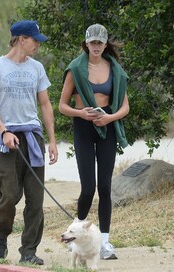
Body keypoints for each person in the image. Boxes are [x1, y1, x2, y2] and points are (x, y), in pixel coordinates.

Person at [0, 20, 58, 265]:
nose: (38, 44)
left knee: (36, 199)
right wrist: (3, 131)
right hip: (8, 139)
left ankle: (28, 252)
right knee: (9, 194)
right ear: (21, 39)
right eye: (35, 40)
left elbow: (45, 104)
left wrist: (53, 141)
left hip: (33, 138)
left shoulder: (37, 68)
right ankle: (1, 233)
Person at [59, 23, 129, 259]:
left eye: (100, 42)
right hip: (83, 126)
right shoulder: (75, 69)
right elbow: (62, 106)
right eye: (93, 42)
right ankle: (74, 236)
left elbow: (125, 107)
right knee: (88, 187)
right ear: (86, 44)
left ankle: (105, 243)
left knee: (106, 187)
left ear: (105, 43)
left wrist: (109, 117)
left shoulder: (115, 69)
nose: (97, 46)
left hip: (106, 125)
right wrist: (81, 113)